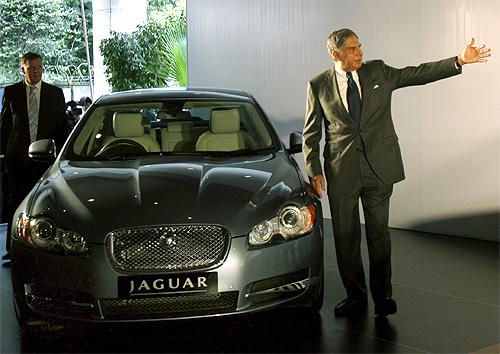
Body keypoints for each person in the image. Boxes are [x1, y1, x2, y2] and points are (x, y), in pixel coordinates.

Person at [302, 29, 491, 317]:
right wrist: (314, 169)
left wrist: (459, 61)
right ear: (335, 54)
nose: (360, 53)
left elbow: (416, 74)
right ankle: (356, 298)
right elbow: (311, 133)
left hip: (380, 168)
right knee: (346, 239)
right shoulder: (318, 85)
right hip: (341, 173)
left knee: (379, 236)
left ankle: (383, 297)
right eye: (352, 49)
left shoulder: (378, 71)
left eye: (360, 46)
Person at [0, 52, 69, 261]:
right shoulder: (12, 92)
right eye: (31, 68)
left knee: (45, 203)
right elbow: (5, 126)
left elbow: (62, 128)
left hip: (45, 158)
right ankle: (13, 251)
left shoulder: (54, 93)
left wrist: (63, 156)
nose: (36, 71)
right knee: (16, 202)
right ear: (23, 70)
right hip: (17, 158)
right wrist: (2, 154)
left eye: (39, 67)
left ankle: (44, 248)